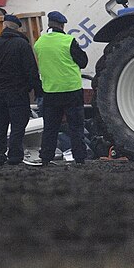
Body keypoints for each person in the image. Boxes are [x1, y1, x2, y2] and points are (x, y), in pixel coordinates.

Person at [0, 14, 42, 166]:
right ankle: (15, 156)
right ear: (18, 28)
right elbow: (31, 70)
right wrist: (35, 90)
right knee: (18, 126)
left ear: (4, 26)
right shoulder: (22, 45)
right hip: (18, 93)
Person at [34, 11, 89, 165]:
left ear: (49, 24)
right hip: (72, 90)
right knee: (76, 127)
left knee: (50, 128)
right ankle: (80, 157)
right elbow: (83, 61)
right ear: (62, 25)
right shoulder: (68, 41)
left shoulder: (39, 43)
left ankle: (45, 157)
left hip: (51, 91)